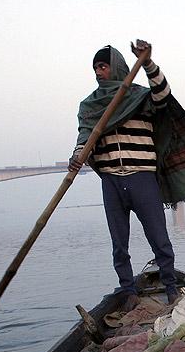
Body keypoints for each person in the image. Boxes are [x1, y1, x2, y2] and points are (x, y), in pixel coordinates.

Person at [69, 40, 178, 310]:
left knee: (158, 237)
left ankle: (171, 288)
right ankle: (128, 291)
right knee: (119, 242)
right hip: (111, 181)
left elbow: (164, 95)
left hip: (141, 176)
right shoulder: (91, 106)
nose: (98, 72)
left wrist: (149, 63)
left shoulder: (139, 97)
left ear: (115, 67)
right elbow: (85, 136)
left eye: (103, 66)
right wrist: (77, 155)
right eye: (95, 68)